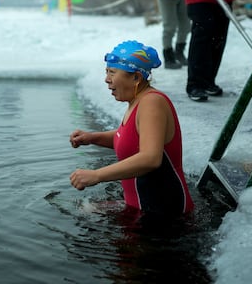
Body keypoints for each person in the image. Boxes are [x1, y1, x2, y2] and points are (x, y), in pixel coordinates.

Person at [69, 40, 194, 217]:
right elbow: (131, 139)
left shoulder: (152, 103)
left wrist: (96, 175)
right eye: (106, 72)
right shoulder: (138, 101)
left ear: (136, 77)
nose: (106, 79)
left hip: (164, 217)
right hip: (142, 208)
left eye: (112, 72)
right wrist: (92, 138)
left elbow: (151, 158)